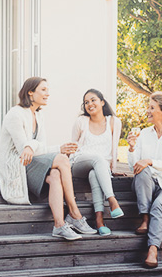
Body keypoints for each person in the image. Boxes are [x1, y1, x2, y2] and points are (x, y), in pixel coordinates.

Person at [0, 77, 96, 241]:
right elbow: (24, 150)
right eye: (43, 90)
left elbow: (39, 148)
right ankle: (74, 213)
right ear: (30, 92)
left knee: (56, 175)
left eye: (47, 90)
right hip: (17, 165)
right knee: (63, 160)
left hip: (31, 163)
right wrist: (56, 149)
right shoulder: (15, 114)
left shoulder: (38, 115)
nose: (47, 94)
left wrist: (37, 146)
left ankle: (59, 225)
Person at [127, 91, 162, 269]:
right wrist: (131, 148)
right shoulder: (144, 133)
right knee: (142, 171)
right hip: (146, 184)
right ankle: (145, 218)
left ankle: (152, 250)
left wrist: (150, 161)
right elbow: (133, 167)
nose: (148, 111)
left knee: (159, 206)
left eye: (152, 107)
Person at [70, 89, 124, 236]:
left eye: (93, 100)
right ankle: (112, 201)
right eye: (86, 102)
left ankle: (99, 221)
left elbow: (114, 147)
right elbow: (73, 147)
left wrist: (113, 168)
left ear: (102, 102)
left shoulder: (114, 121)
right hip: (80, 163)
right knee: (97, 159)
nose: (90, 104)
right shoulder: (81, 121)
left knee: (95, 173)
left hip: (101, 166)